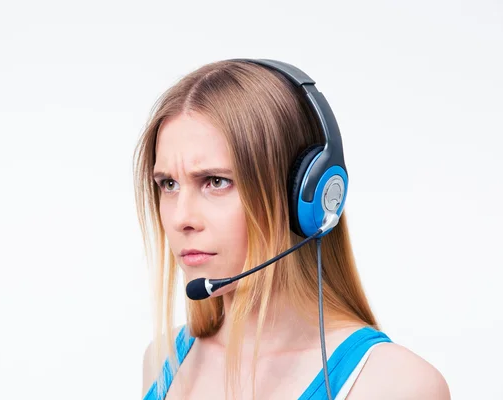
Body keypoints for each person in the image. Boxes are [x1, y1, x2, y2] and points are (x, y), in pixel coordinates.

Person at [133, 59, 450, 400]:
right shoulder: (164, 361)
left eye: (216, 181)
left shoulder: (394, 384)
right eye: (168, 184)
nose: (182, 218)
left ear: (303, 196)